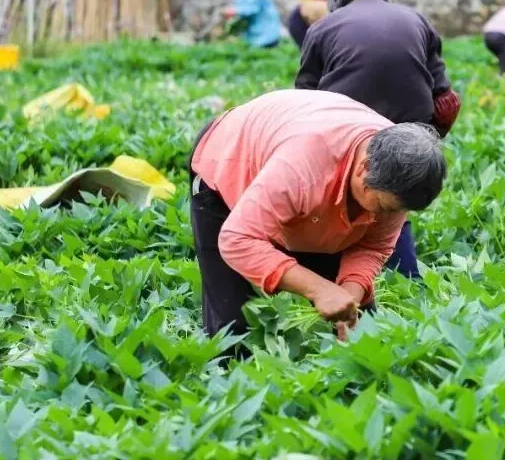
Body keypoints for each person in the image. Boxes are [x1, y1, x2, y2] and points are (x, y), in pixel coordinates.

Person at [189, 89, 447, 339]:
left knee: (359, 325)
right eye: (383, 207)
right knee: (233, 325)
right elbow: (237, 239)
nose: (386, 217)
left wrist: (350, 294)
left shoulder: (400, 176)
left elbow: (373, 247)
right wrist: (319, 289)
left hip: (305, 182)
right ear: (364, 169)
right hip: (228, 163)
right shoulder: (302, 167)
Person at [295, 0, 461, 279]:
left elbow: (304, 101)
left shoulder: (323, 27)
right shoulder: (416, 19)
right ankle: (405, 277)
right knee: (394, 193)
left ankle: (327, 276)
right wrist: (427, 142)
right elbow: (445, 100)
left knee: (345, 196)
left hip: (345, 136)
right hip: (409, 131)